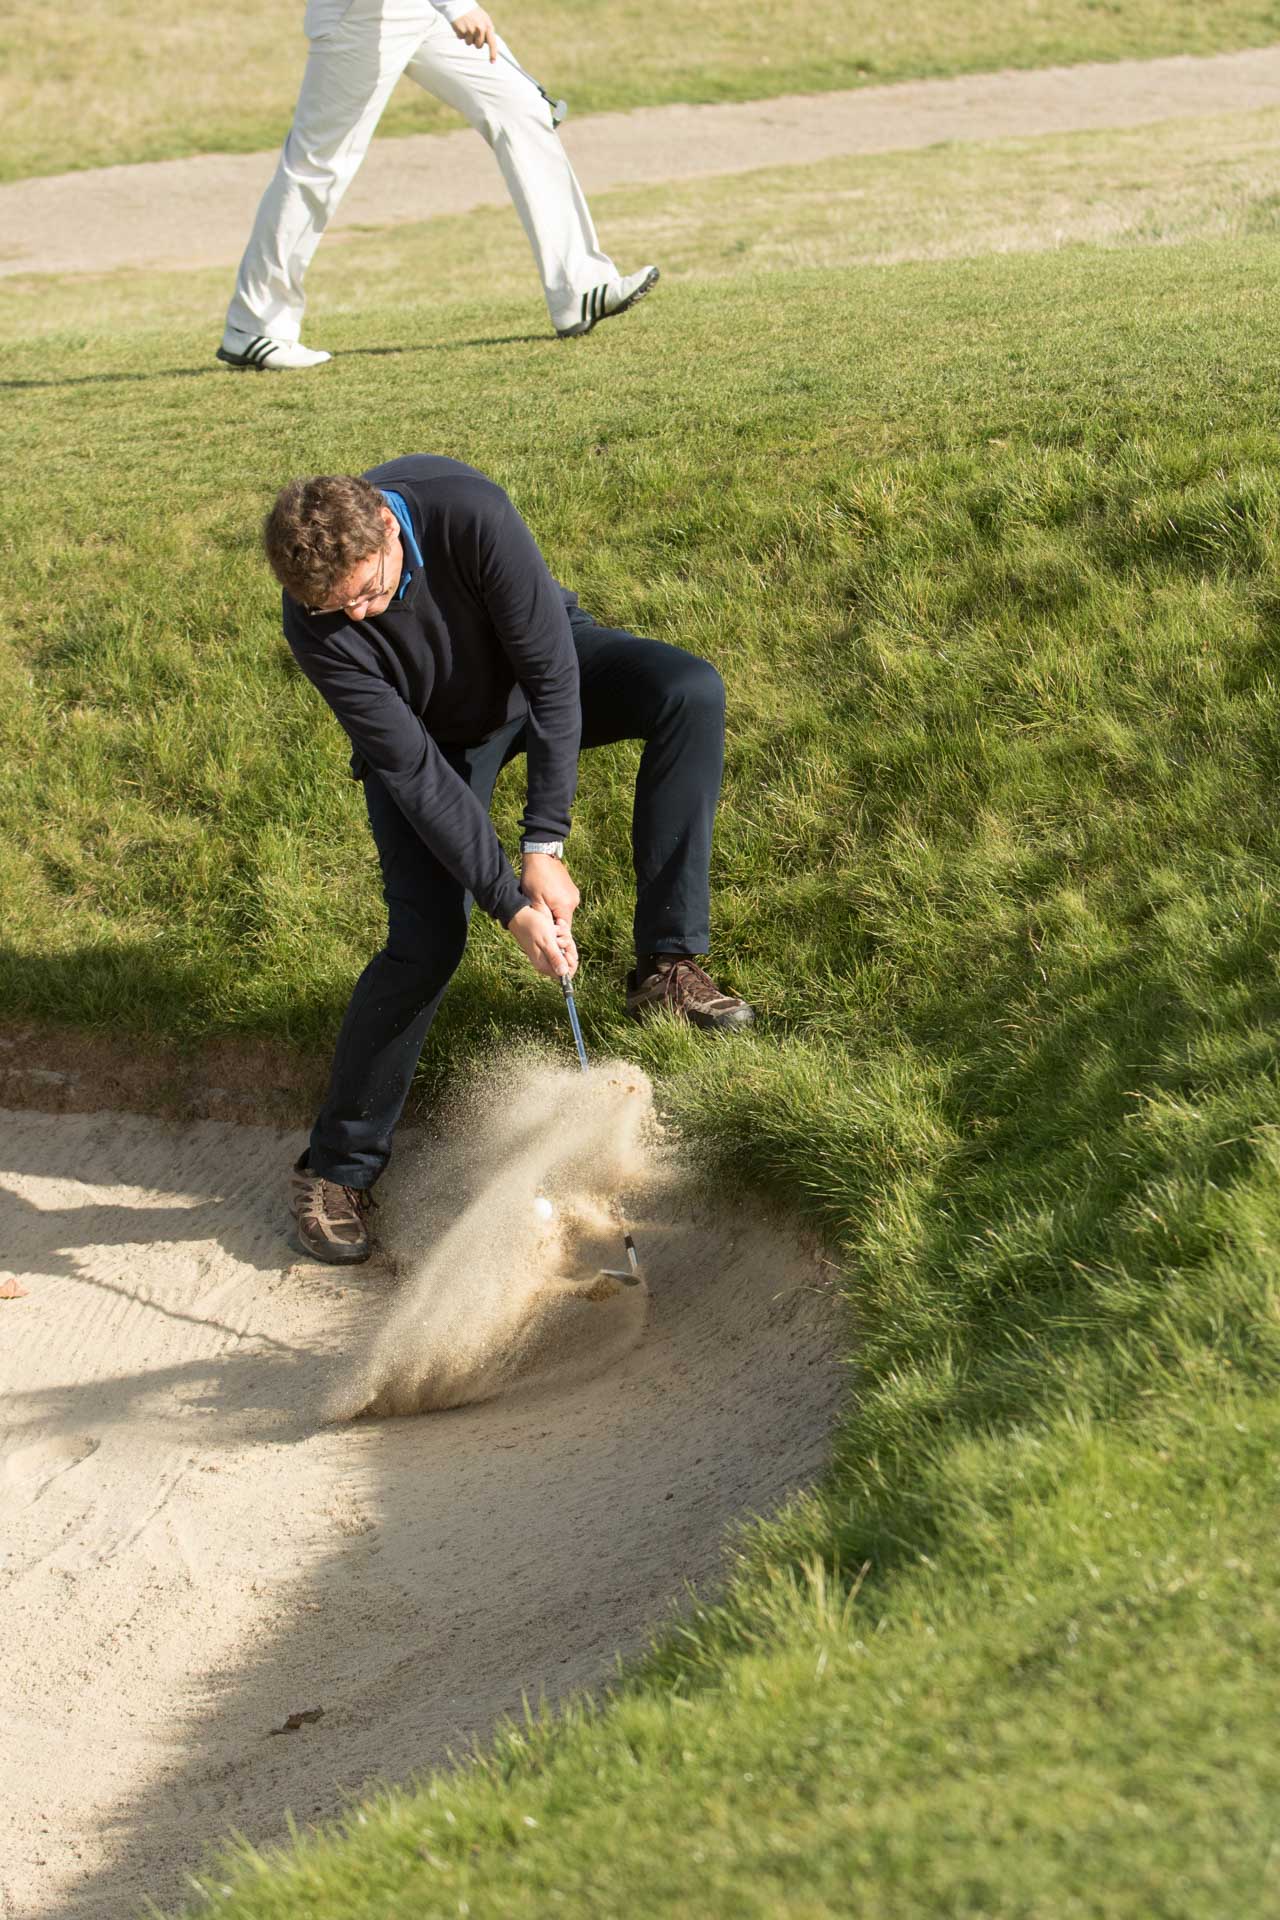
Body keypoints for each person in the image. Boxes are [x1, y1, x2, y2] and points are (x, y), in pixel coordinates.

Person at [264, 454, 754, 1262]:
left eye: (367, 593)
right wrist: (510, 903)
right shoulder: (314, 618)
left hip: (534, 673)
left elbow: (554, 677)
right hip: (433, 737)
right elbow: (416, 774)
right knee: (427, 939)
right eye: (335, 607)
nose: (356, 616)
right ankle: (338, 1168)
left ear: (387, 528)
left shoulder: (470, 513)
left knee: (687, 691)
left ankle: (667, 967)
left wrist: (543, 843)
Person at [217, 0, 658, 370]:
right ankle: (254, 326)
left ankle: (579, 287)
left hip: (419, 9)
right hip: (360, 17)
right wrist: (456, 4)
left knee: (522, 108)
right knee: (319, 166)